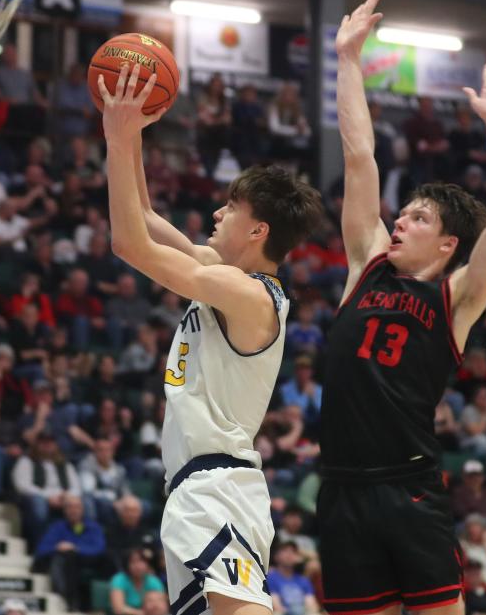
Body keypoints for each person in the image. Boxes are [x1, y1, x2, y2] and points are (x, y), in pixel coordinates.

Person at [320, 0, 486, 615]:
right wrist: (348, 60)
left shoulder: (455, 297)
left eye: (418, 217)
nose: (400, 221)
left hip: (409, 488)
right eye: (402, 212)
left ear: (448, 243)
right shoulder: (367, 262)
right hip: (342, 493)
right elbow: (360, 156)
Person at [97, 56, 323, 615]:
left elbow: (129, 245)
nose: (216, 212)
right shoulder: (222, 277)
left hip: (218, 482)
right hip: (195, 485)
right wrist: (129, 136)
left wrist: (115, 136)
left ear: (258, 229)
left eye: (231, 207)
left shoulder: (250, 295)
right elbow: (142, 213)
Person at [109, 547, 166, 615]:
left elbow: (162, 606)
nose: (138, 566)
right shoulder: (119, 579)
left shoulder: (153, 581)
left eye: (142, 561)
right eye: (133, 562)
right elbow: (119, 609)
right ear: (126, 565)